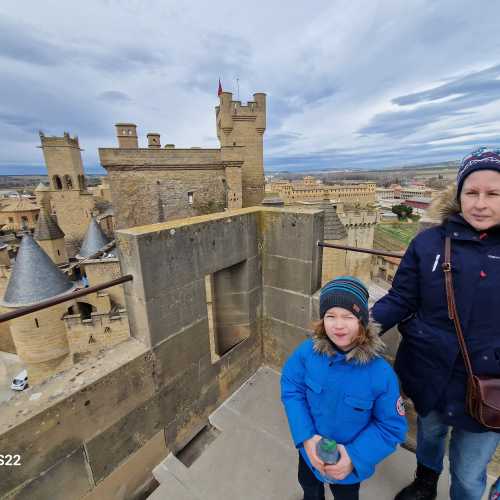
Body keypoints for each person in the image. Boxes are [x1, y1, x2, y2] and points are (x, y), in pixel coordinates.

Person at [371, 147, 500, 500]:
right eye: (471, 192)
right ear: (458, 195)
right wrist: (362, 328)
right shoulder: (429, 243)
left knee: (470, 472)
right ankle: (425, 483)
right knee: (429, 435)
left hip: (489, 384)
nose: (481, 203)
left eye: (493, 194)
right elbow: (401, 298)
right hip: (431, 371)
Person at [281, 276, 407, 500]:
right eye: (330, 316)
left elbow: (390, 428)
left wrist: (353, 458)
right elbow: (292, 388)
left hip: (348, 467)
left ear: (362, 322)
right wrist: (306, 438)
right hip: (309, 454)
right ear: (322, 320)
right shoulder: (306, 353)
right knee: (308, 487)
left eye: (348, 316)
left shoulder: (380, 375)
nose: (338, 325)